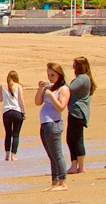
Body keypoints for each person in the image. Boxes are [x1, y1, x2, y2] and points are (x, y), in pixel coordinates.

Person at [35, 62, 72, 191]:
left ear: (59, 75)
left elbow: (61, 107)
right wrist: (41, 89)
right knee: (51, 155)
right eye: (49, 75)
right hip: (45, 123)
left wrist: (51, 96)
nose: (50, 78)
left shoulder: (63, 89)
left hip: (54, 123)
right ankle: (55, 182)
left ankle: (63, 182)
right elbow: (37, 102)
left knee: (57, 154)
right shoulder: (49, 88)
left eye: (53, 75)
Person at [66, 56, 96, 175]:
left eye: (74, 65)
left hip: (77, 112)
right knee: (71, 139)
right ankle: (74, 165)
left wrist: (60, 82)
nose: (73, 68)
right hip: (77, 112)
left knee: (77, 139)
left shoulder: (82, 78)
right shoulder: (84, 78)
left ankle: (81, 167)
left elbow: (70, 89)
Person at [0, 70, 25, 161]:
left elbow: (0, 99)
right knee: (16, 135)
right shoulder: (18, 86)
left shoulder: (2, 85)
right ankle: (13, 156)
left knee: (8, 134)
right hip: (17, 111)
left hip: (6, 112)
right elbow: (21, 100)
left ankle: (7, 155)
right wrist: (24, 112)